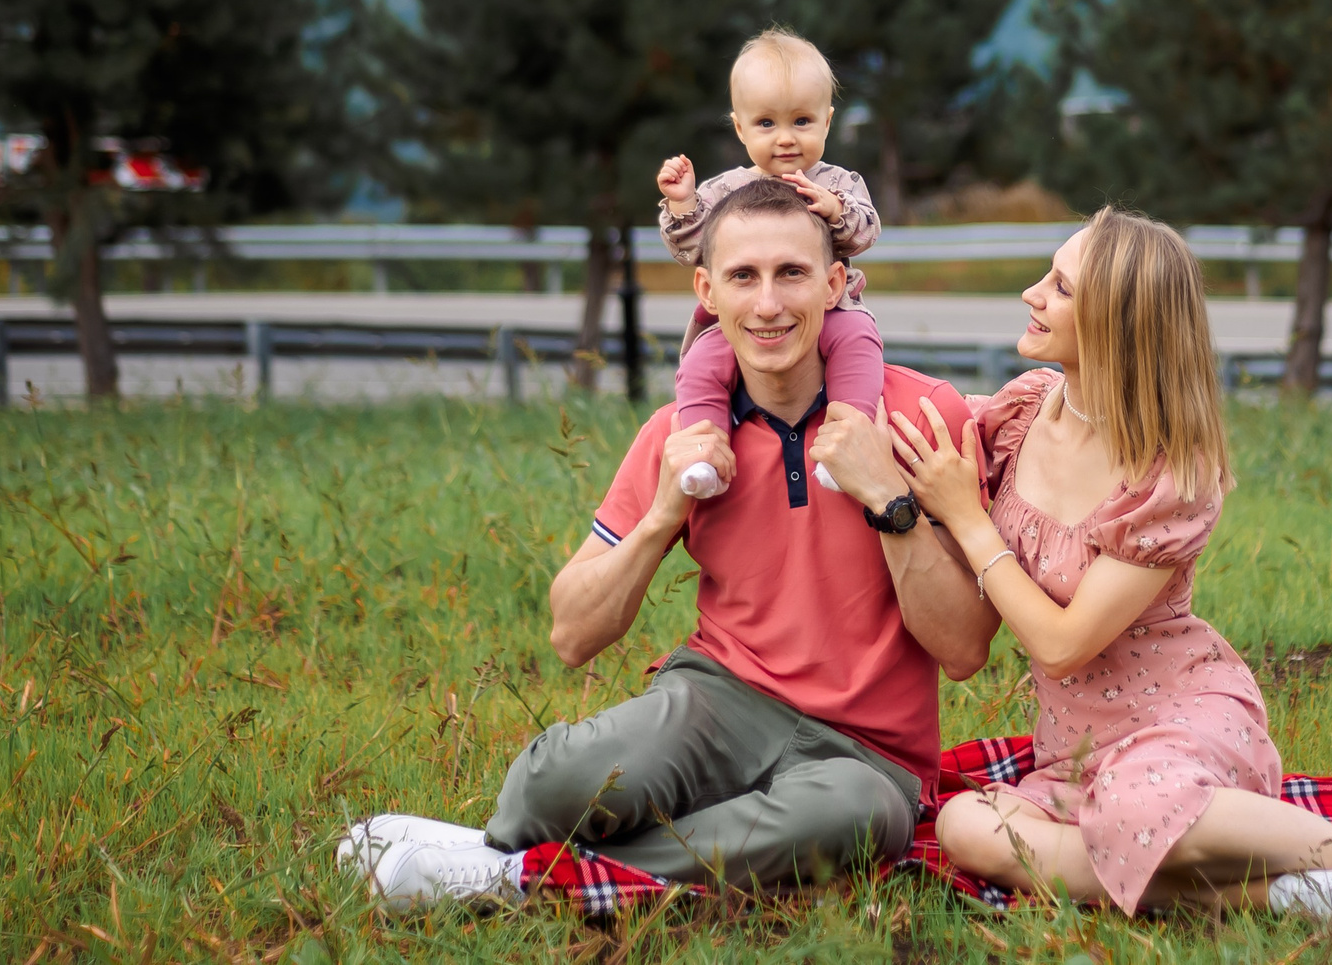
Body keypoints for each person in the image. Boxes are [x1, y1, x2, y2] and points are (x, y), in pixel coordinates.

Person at [342, 178, 996, 908]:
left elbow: (966, 650)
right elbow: (571, 632)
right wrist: (660, 516)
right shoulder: (677, 435)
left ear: (836, 282)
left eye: (793, 273)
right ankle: (531, 857)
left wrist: (888, 498)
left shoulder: (921, 413)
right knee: (549, 784)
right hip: (721, 700)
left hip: (865, 754)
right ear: (707, 290)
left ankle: (507, 872)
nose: (769, 303)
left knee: (851, 818)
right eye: (743, 277)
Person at [889, 207, 1332, 926]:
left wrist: (971, 521)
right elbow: (904, 413)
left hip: (1180, 717)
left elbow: (1063, 645)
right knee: (965, 828)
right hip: (1072, 753)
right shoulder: (1021, 411)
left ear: (1120, 325)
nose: (1033, 294)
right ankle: (1277, 892)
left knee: (1141, 805)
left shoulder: (1170, 473)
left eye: (1062, 287)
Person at [655, 28, 884, 499]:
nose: (785, 139)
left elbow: (866, 232)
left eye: (802, 121)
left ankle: (849, 441)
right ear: (740, 128)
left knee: (859, 343)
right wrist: (682, 206)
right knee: (702, 361)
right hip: (739, 321)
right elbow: (691, 249)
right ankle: (704, 450)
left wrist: (835, 211)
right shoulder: (723, 192)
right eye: (766, 124)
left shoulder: (837, 181)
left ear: (827, 122)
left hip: (833, 307)